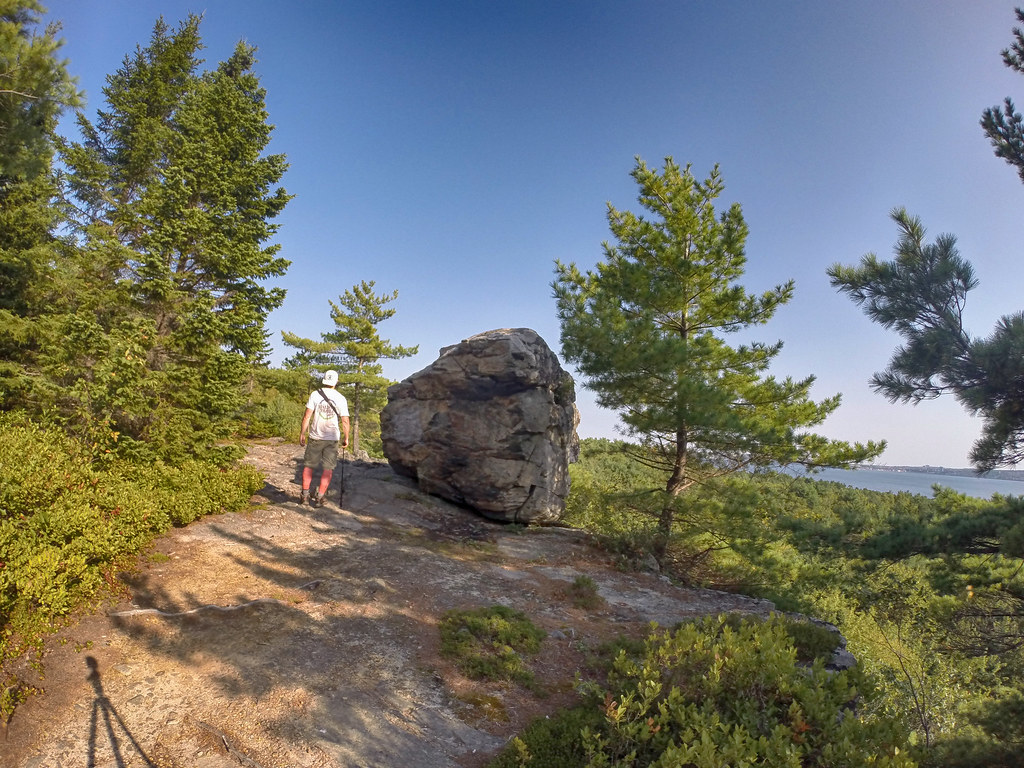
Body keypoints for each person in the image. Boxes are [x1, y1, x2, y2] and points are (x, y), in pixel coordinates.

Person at [298, 370, 350, 507]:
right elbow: (345, 421)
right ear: (336, 382)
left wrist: (302, 433)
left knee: (308, 466)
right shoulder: (340, 398)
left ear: (324, 380)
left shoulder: (315, 395)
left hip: (315, 436)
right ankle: (320, 497)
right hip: (332, 438)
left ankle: (304, 496)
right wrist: (346, 438)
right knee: (328, 469)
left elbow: (307, 416)